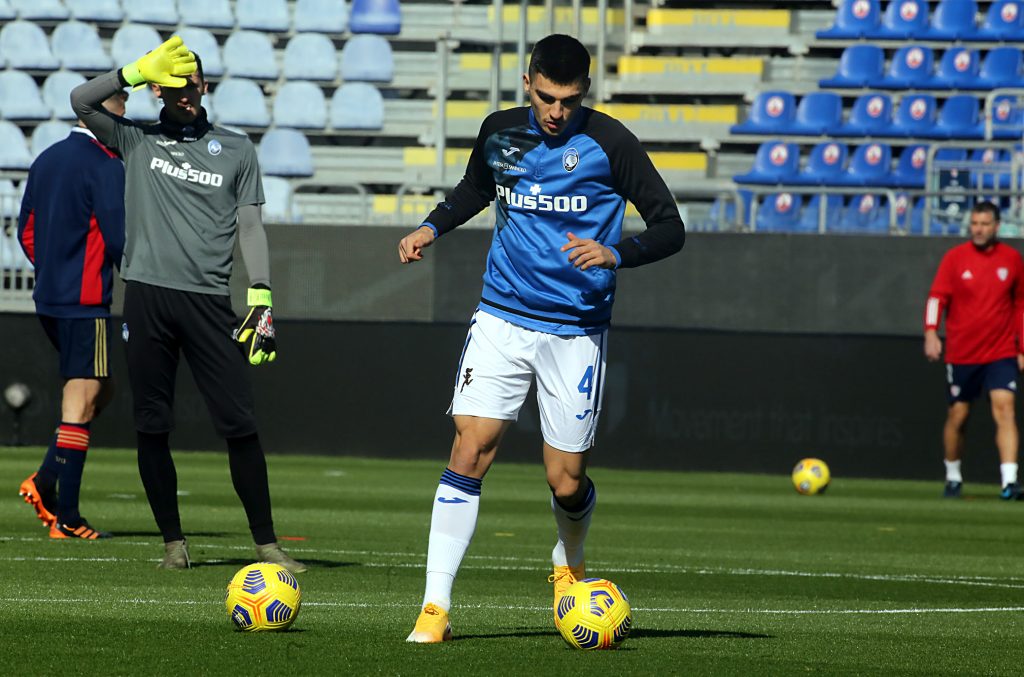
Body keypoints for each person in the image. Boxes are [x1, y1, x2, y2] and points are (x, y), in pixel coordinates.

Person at [398, 34, 685, 642]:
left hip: (575, 330)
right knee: (469, 450)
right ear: (528, 82)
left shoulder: (611, 143)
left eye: (570, 101)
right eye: (549, 98)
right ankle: (435, 605)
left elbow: (671, 227)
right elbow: (476, 189)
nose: (557, 113)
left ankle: (569, 563)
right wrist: (432, 227)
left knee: (566, 479)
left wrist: (616, 252)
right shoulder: (500, 131)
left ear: (586, 93)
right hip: (501, 315)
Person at [70, 37, 304, 572]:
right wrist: (129, 71)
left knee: (239, 422)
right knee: (152, 424)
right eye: (174, 85)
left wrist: (262, 291)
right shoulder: (136, 139)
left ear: (205, 85)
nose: (186, 94)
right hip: (147, 297)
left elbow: (250, 224)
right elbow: (81, 101)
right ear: (157, 88)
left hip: (208, 303)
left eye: (193, 83)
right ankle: (174, 544)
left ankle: (267, 544)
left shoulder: (238, 149)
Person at [16, 90, 129, 540]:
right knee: (82, 400)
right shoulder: (105, 165)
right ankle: (67, 515)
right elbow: (119, 239)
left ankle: (45, 478)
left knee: (100, 390)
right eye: (121, 114)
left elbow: (25, 228)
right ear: (102, 115)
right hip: (86, 305)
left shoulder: (46, 158)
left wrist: (51, 270)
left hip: (50, 299)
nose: (125, 125)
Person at [924, 200, 1024, 500]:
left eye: (984, 224)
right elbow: (936, 297)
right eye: (974, 224)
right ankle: (953, 476)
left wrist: (1021, 345)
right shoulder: (955, 258)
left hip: (1001, 349)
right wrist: (931, 332)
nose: (978, 229)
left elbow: (1020, 304)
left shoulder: (1012, 259)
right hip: (963, 351)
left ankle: (1009, 481)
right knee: (959, 416)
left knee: (1005, 408)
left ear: (996, 226)